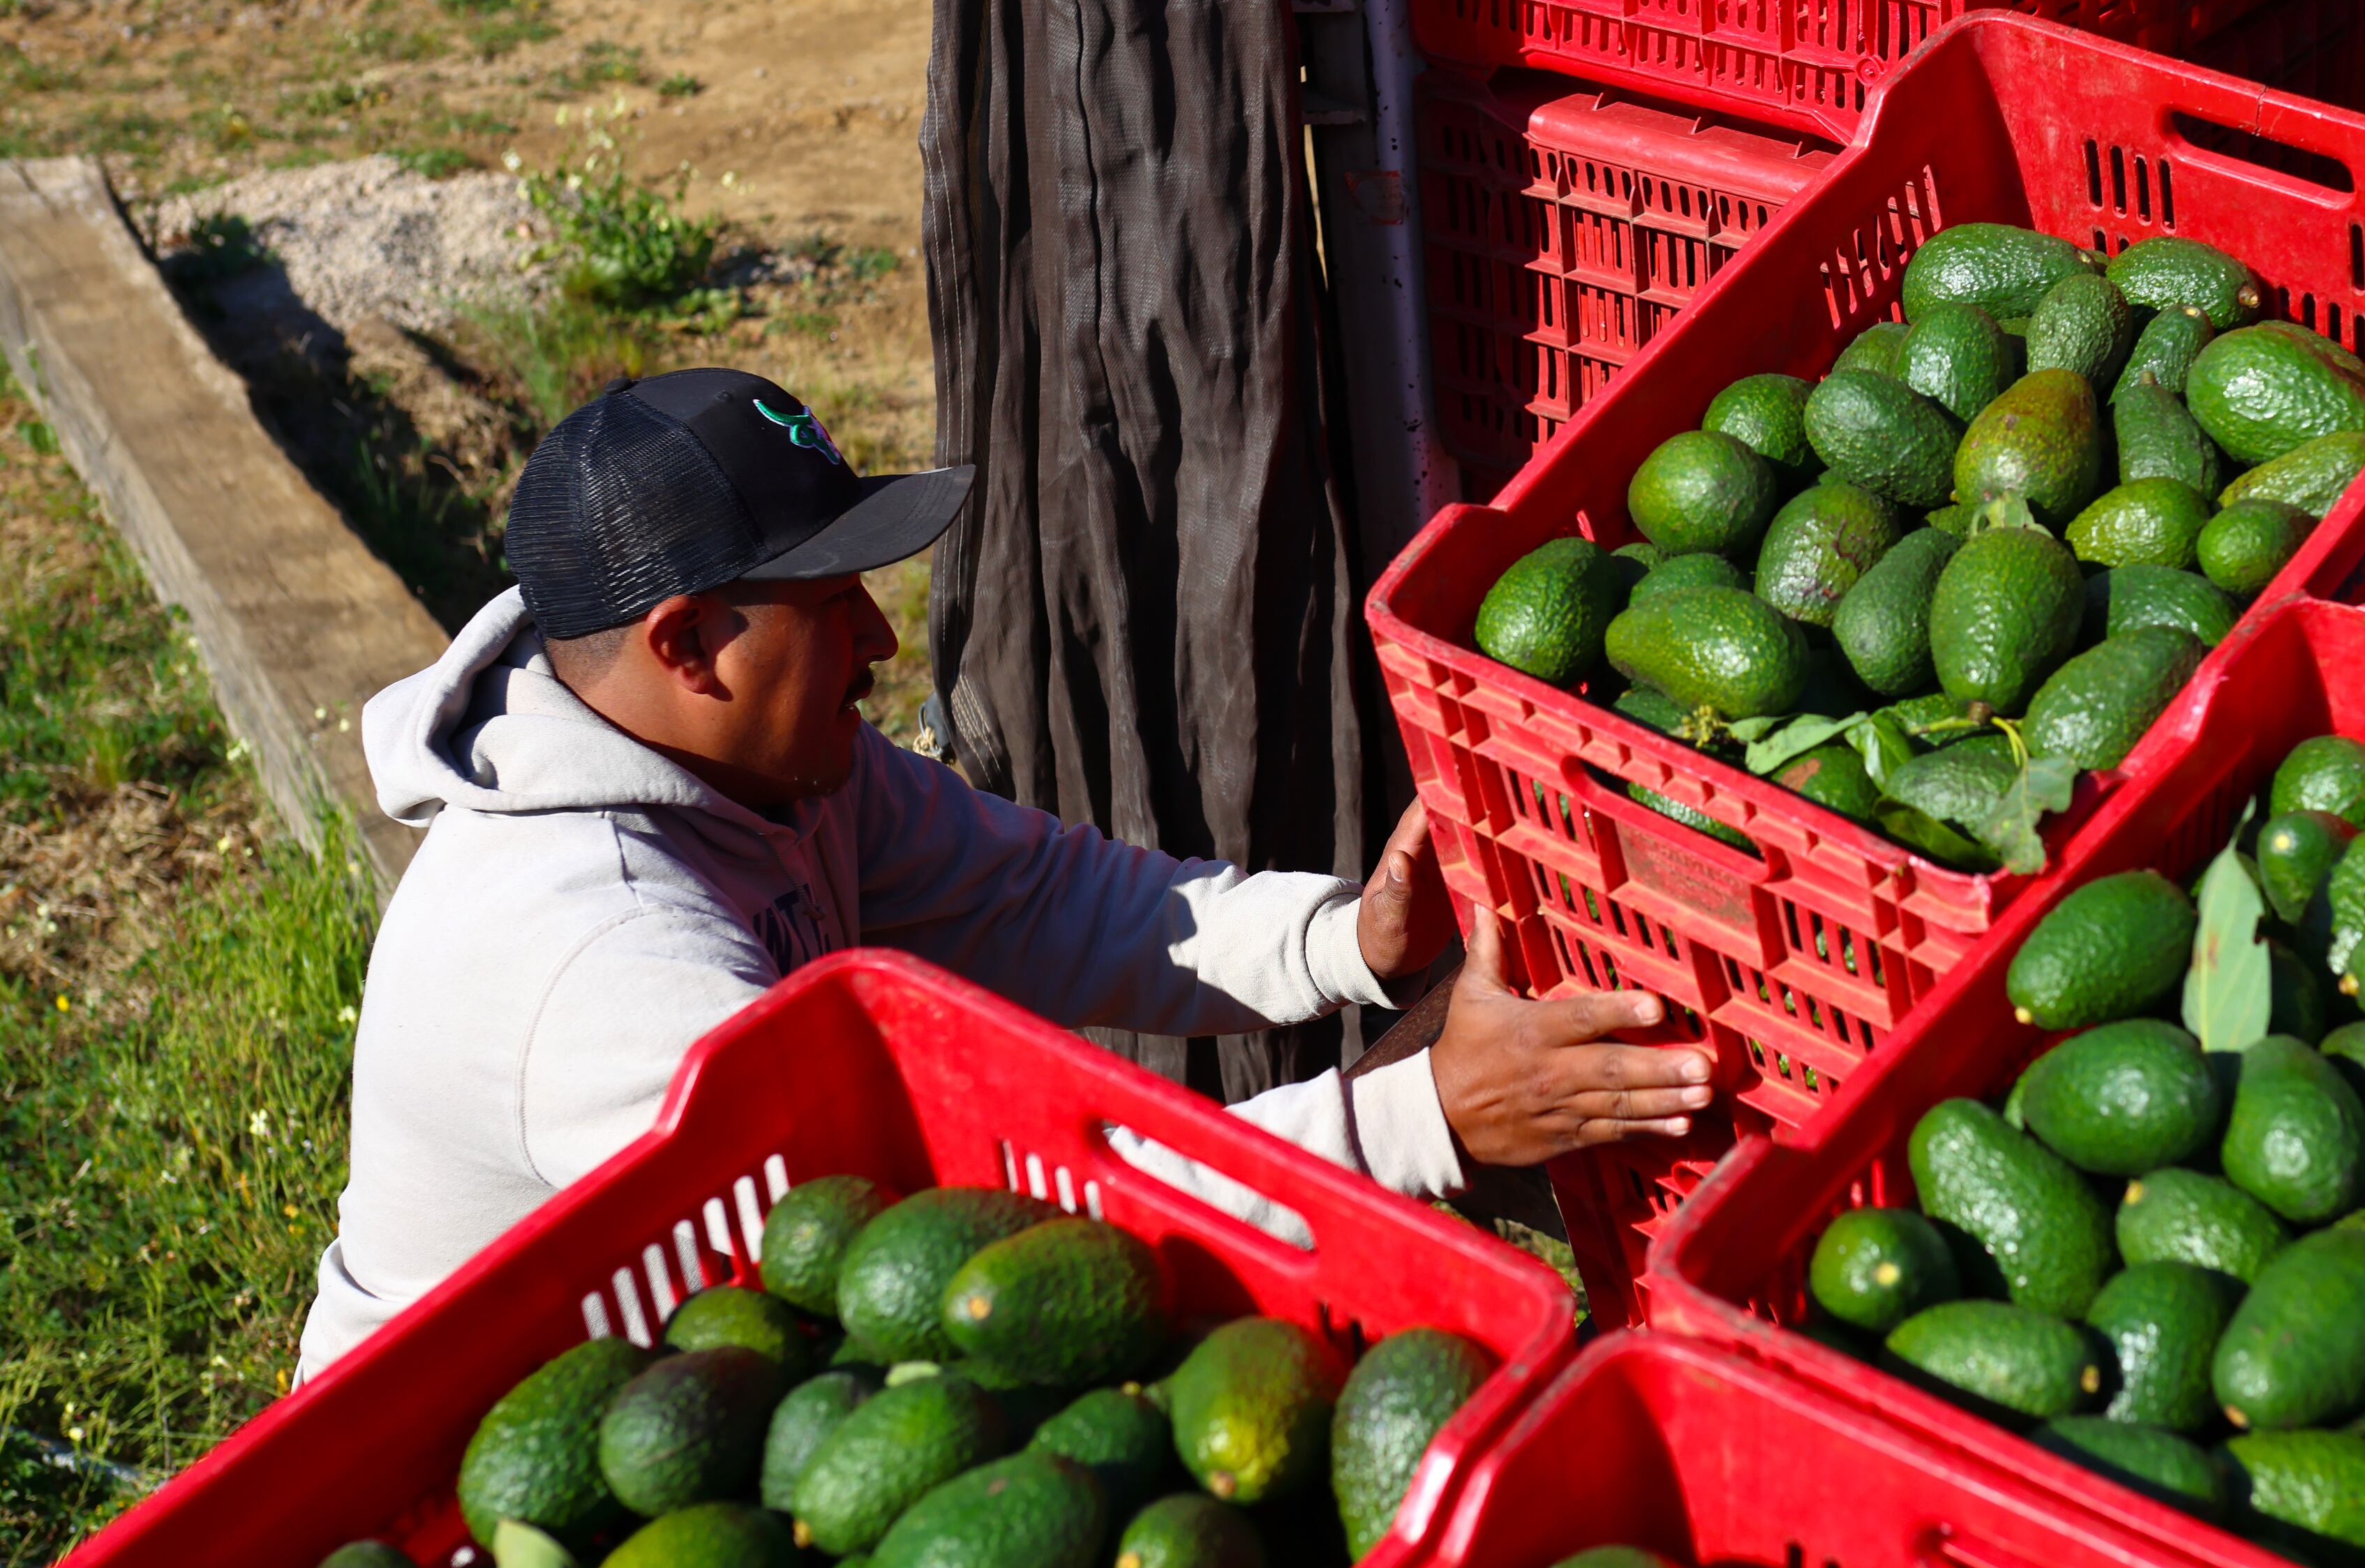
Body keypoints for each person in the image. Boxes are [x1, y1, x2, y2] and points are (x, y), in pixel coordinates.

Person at [297, 368, 1711, 1375]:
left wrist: (1350, 941)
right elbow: (958, 1271)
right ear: (683, 644)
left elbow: (1040, 899)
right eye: (829, 598)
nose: (878, 638)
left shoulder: (770, 768)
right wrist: (1417, 1118)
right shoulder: (603, 965)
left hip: (725, 1380)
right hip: (475, 1516)